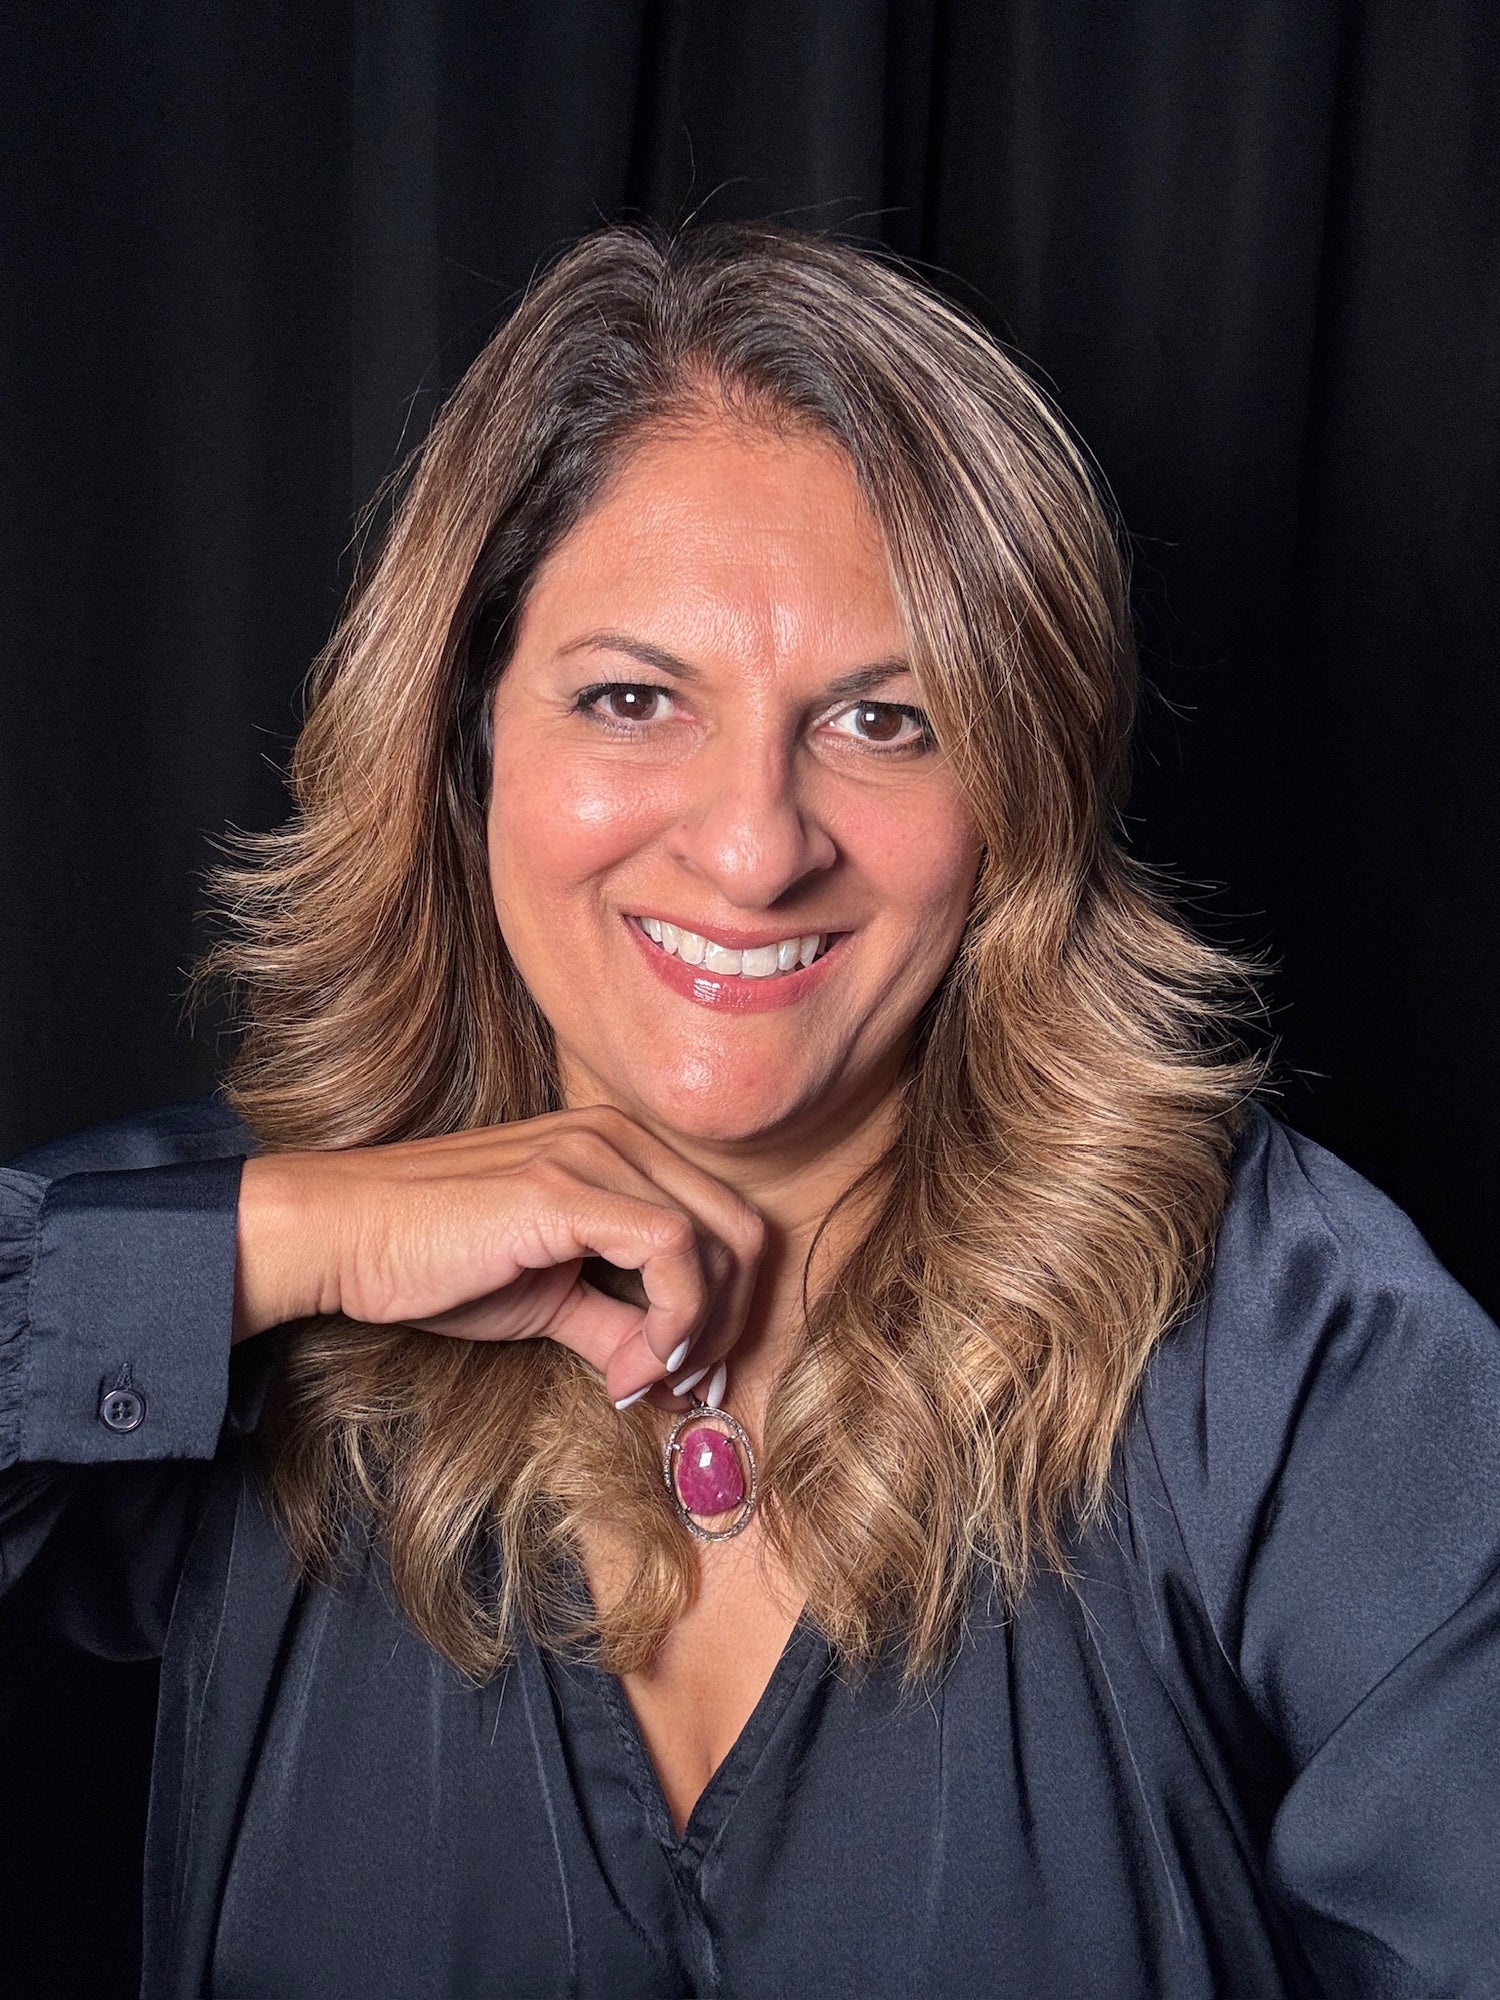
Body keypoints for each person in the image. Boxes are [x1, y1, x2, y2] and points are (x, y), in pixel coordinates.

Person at [2, 222, 1497, 2000]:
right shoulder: (273, 1257)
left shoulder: (1298, 1347)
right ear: (466, 742)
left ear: (1021, 786)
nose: (754, 843)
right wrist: (269, 1244)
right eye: (635, 699)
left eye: (883, 719)